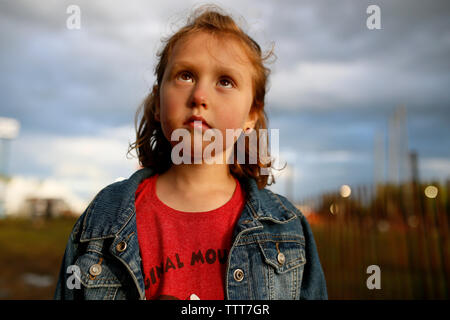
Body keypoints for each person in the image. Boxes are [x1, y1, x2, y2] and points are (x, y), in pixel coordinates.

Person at [54, 4, 327, 300]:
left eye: (225, 81)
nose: (199, 96)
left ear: (251, 115)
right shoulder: (102, 218)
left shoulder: (286, 227)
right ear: (158, 103)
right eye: (185, 75)